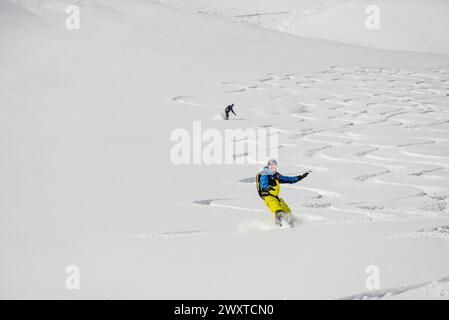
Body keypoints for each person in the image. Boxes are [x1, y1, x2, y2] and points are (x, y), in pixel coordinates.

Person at [256, 159, 310, 227]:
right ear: (268, 166)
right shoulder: (265, 173)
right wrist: (265, 187)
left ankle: (293, 226)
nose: (273, 168)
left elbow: (287, 179)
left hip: (275, 196)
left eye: (275, 167)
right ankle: (279, 227)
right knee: (278, 210)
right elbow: (263, 182)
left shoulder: (275, 175)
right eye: (271, 166)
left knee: (287, 211)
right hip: (268, 196)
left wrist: (299, 177)